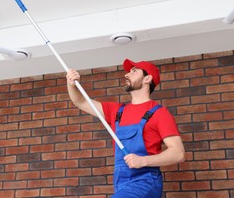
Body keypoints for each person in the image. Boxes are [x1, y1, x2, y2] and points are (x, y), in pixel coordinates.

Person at [66, 59, 185, 198]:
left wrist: (143, 161)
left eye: (134, 71)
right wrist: (71, 84)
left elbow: (178, 153)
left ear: (147, 78)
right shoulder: (117, 111)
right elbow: (80, 101)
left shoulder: (159, 113)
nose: (127, 75)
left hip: (145, 181)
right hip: (121, 182)